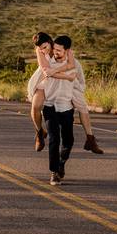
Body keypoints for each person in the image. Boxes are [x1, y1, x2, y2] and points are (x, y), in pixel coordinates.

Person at [28, 32, 104, 154]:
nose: (43, 50)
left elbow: (71, 65)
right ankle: (39, 133)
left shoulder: (62, 48)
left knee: (82, 106)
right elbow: (46, 71)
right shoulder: (39, 50)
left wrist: (65, 74)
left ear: (50, 42)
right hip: (46, 79)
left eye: (45, 47)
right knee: (36, 105)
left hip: (66, 77)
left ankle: (90, 139)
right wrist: (66, 76)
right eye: (40, 48)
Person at [43, 36, 76, 185]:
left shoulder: (74, 64)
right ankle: (54, 172)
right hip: (49, 105)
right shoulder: (47, 61)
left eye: (58, 50)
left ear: (67, 51)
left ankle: (61, 163)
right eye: (54, 49)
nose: (54, 52)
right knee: (54, 139)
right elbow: (45, 71)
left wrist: (53, 72)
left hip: (66, 107)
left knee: (68, 140)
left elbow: (77, 81)